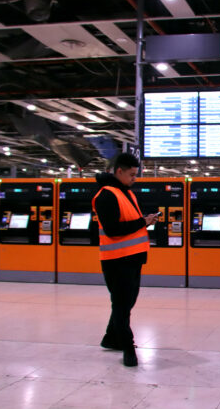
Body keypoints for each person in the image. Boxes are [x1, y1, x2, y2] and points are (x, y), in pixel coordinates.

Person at [92, 153, 158, 366]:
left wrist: (144, 221)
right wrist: (142, 222)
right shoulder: (105, 196)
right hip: (117, 260)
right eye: (131, 174)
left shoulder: (125, 192)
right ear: (119, 171)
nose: (134, 179)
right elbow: (113, 230)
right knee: (122, 304)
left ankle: (111, 338)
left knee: (126, 302)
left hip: (133, 257)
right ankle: (128, 348)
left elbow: (130, 222)